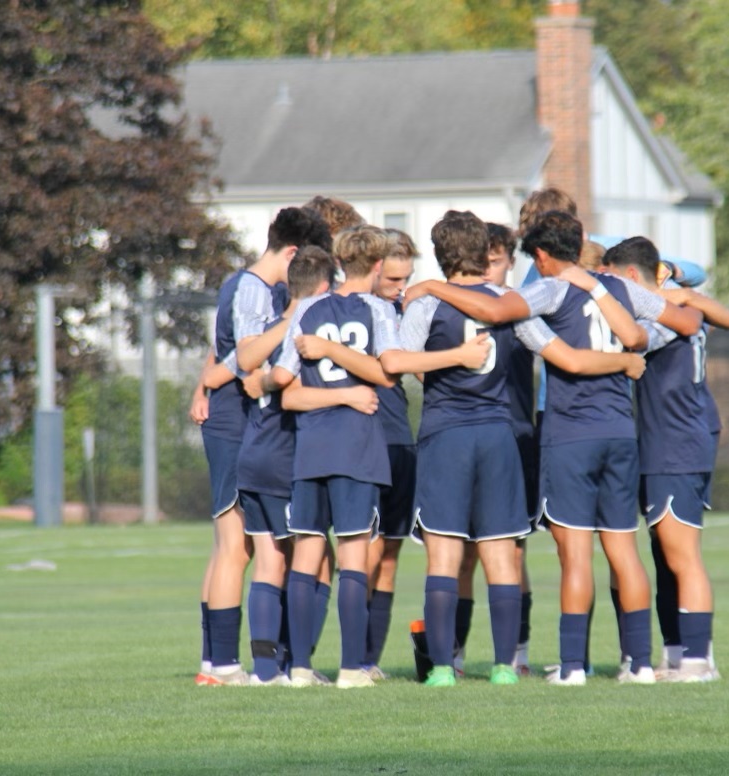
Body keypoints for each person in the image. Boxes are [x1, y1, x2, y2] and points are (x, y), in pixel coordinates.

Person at [406, 210, 700, 685]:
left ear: (541, 255)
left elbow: (502, 313)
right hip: (620, 433)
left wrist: (432, 288)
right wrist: (635, 351)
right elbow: (680, 323)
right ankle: (641, 663)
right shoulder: (623, 291)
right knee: (624, 552)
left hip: (565, 436)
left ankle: (571, 666)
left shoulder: (548, 289)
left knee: (572, 555)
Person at [262, 225, 487, 688]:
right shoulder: (376, 310)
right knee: (354, 554)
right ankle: (351, 669)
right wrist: (344, 366)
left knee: (306, 552)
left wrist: (315, 357)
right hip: (356, 447)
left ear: (340, 263)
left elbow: (282, 379)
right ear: (380, 265)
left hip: (309, 446)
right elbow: (387, 372)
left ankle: (299, 668)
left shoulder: (304, 308)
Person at [189, 206, 331, 686]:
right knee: (236, 547)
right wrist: (292, 318)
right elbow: (248, 352)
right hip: (234, 424)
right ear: (292, 253)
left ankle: (214, 663)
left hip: (234, 419)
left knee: (232, 547)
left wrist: (205, 380)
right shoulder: (251, 287)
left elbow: (222, 349)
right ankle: (225, 664)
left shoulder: (247, 285)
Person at [601, 236, 729, 683]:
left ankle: (698, 662)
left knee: (683, 556)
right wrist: (682, 290)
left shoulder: (666, 320)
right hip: (677, 441)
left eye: (619, 282)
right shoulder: (687, 308)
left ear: (634, 279)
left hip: (673, 447)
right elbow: (720, 311)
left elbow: (635, 338)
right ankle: (678, 654)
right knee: (665, 555)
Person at [453, 222, 539, 677]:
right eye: (483, 260)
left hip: (515, 438)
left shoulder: (522, 310)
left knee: (510, 552)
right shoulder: (446, 304)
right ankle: (455, 656)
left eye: (498, 260)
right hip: (460, 440)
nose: (490, 267)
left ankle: (516, 654)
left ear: (510, 261)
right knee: (462, 553)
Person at [362, 228, 419, 679]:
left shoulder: (403, 309)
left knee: (389, 556)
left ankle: (371, 660)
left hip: (400, 437)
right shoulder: (357, 311)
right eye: (394, 280)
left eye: (408, 279)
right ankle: (352, 658)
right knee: (364, 552)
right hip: (365, 439)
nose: (401, 288)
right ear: (374, 269)